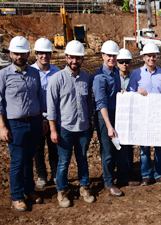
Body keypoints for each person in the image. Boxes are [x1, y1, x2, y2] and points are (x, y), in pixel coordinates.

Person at [0, 36, 45, 212]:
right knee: (17, 161)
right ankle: (16, 196)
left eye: (22, 53)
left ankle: (29, 190)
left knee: (29, 159)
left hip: (34, 123)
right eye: (16, 53)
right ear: (10, 53)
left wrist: (43, 119)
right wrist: (2, 127)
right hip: (15, 125)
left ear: (28, 54)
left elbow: (39, 98)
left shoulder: (35, 73)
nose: (19, 56)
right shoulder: (2, 76)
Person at [47, 40, 95, 207]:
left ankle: (84, 187)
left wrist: (89, 123)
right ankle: (62, 190)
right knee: (63, 161)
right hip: (65, 128)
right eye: (71, 58)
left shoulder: (86, 78)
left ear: (82, 59)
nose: (75, 61)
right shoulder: (56, 79)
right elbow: (51, 108)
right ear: (66, 58)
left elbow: (88, 103)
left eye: (78, 58)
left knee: (82, 159)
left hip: (82, 128)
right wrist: (53, 130)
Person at [93, 40, 138, 197]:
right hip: (105, 116)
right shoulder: (99, 77)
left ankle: (123, 177)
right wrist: (109, 125)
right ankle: (109, 182)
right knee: (108, 151)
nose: (112, 58)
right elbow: (101, 103)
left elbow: (115, 93)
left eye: (114, 56)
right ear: (103, 55)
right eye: (109, 55)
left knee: (122, 148)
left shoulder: (114, 73)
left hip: (117, 114)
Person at [127, 43, 161, 186]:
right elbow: (130, 94)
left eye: (154, 56)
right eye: (149, 56)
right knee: (144, 147)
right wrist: (137, 92)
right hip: (143, 116)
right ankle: (146, 174)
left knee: (159, 147)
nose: (152, 58)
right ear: (144, 57)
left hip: (158, 116)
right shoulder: (136, 74)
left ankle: (158, 174)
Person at [31, 38, 60, 189]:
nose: (44, 56)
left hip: (53, 116)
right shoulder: (30, 72)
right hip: (37, 116)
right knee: (38, 149)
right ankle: (42, 175)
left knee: (54, 146)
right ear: (36, 55)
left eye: (47, 53)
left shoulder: (57, 72)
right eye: (41, 53)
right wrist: (42, 118)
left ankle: (55, 174)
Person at [116, 48, 139, 181]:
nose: (124, 64)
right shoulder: (114, 77)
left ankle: (129, 169)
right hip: (117, 114)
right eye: (121, 61)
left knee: (129, 144)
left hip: (131, 115)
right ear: (117, 63)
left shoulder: (134, 77)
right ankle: (118, 170)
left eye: (127, 62)